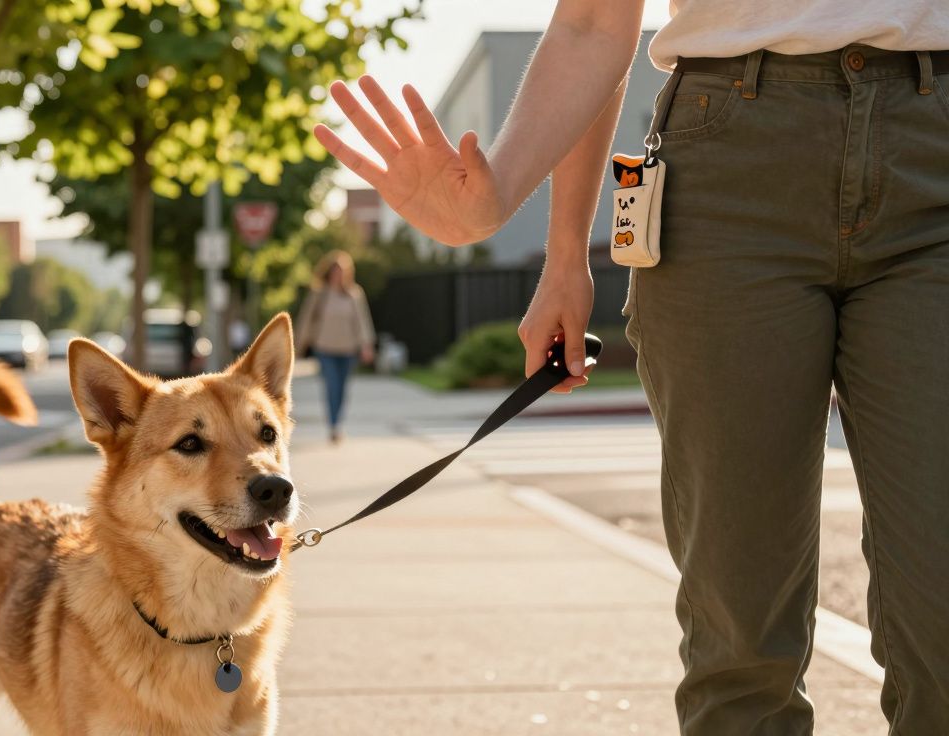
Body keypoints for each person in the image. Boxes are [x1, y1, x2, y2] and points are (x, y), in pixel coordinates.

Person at [314, 1, 949, 733]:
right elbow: (593, 24)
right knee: (740, 632)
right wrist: (551, 249)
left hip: (933, 152)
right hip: (729, 174)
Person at [295, 251, 376, 443]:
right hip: (325, 348)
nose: (338, 274)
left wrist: (366, 345)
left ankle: (337, 421)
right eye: (335, 270)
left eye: (342, 271)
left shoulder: (354, 294)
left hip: (348, 349)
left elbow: (362, 321)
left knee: (342, 389)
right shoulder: (319, 294)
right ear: (329, 272)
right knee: (331, 386)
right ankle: (333, 426)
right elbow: (306, 320)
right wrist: (298, 344)